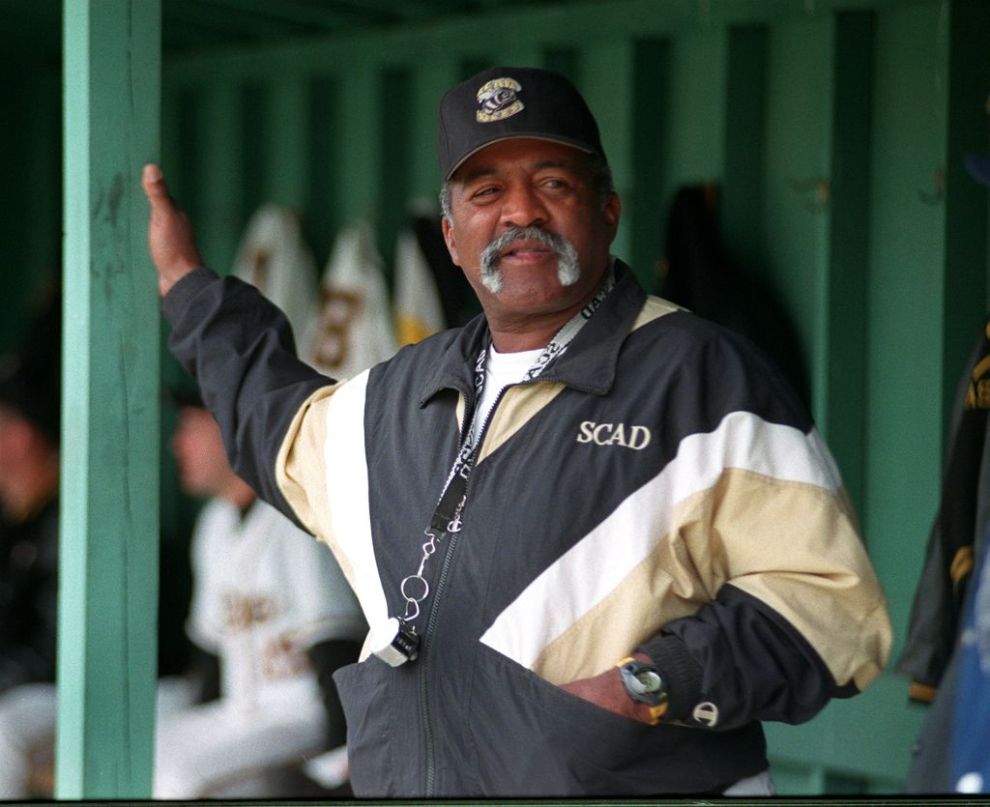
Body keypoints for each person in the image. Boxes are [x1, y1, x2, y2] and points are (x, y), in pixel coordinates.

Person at [143, 65, 892, 797]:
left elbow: (829, 606)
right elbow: (275, 424)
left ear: (608, 209)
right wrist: (187, 287)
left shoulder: (703, 377)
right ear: (451, 235)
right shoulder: (395, 394)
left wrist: (650, 684)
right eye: (486, 191)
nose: (520, 211)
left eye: (554, 182)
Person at [152, 391, 365, 798]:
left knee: (176, 772)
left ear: (230, 434)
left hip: (300, 717)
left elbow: (336, 643)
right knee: (140, 748)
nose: (177, 444)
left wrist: (341, 755)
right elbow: (210, 653)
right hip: (242, 713)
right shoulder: (215, 524)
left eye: (190, 429)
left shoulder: (295, 519)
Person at [0, 287, 61, 798]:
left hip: (67, 693)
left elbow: (50, 655)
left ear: (21, 436)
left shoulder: (69, 527)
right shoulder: (15, 521)